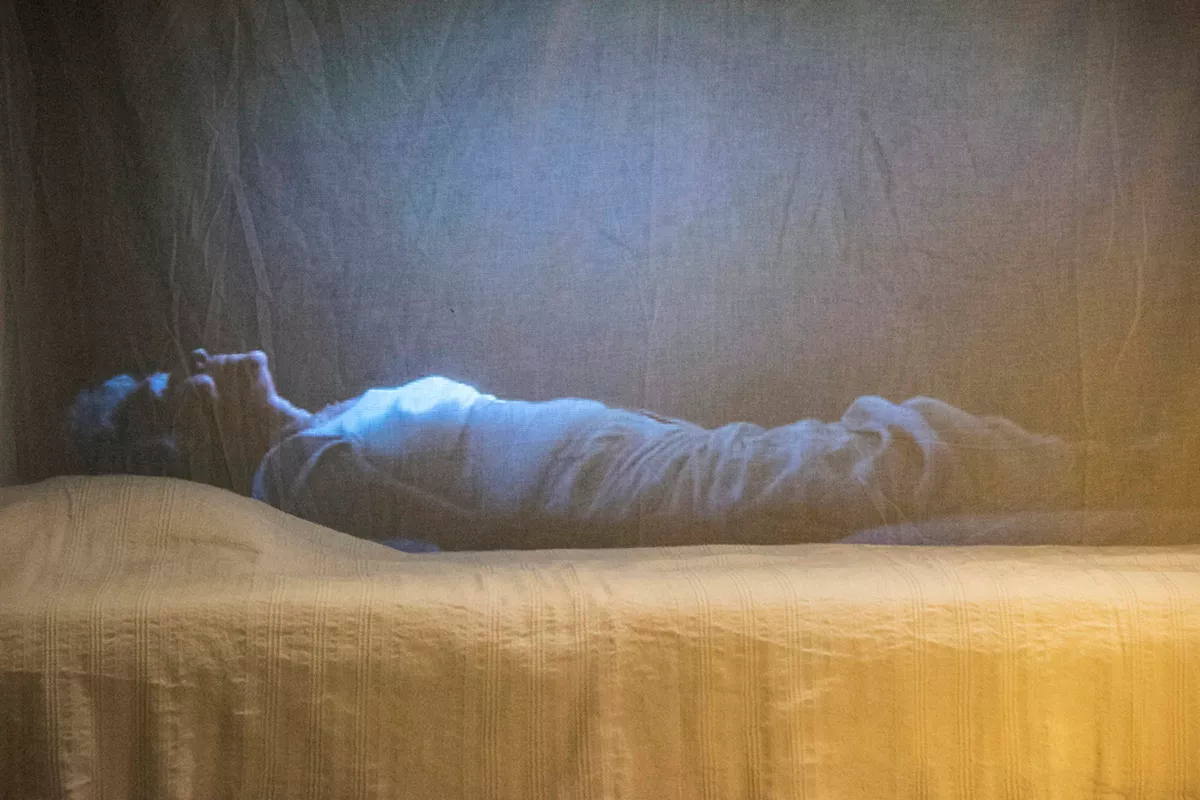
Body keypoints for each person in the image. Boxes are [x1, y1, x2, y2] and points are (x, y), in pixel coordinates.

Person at [67, 349, 1197, 551]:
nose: (203, 358)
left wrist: (276, 416)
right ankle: (1157, 471)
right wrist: (267, 442)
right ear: (176, 442)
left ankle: (1147, 467)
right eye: (171, 385)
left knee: (885, 456)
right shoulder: (293, 474)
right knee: (890, 462)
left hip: (635, 456)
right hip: (621, 488)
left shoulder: (309, 439)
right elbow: (446, 532)